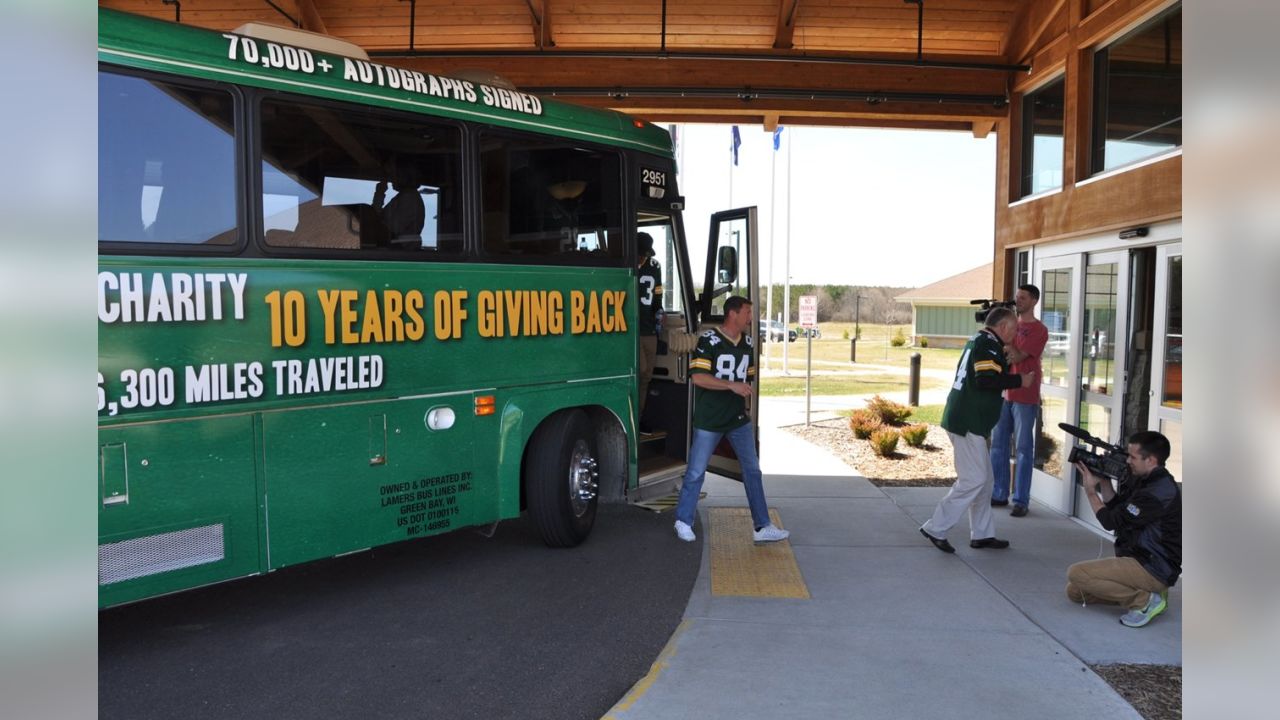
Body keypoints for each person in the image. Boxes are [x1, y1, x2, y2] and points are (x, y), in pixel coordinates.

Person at [673, 296, 789, 545]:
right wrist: (730, 386)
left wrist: (743, 397)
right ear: (733, 314)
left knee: (753, 471)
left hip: (738, 420)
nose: (751, 317)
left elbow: (747, 380)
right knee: (695, 472)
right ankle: (683, 520)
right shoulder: (709, 340)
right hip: (709, 419)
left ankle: (762, 525)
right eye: (747, 312)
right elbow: (698, 378)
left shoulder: (747, 342)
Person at [921, 307, 1035, 553]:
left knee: (985, 482)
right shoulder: (988, 345)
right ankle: (936, 527)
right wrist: (1019, 381)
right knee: (974, 479)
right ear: (1003, 327)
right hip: (967, 423)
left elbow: (984, 374)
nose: (1015, 334)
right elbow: (985, 381)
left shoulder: (982, 341)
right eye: (1014, 329)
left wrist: (1004, 360)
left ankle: (982, 535)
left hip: (969, 420)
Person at [1067, 431, 1181, 628]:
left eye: (1133, 457)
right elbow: (1119, 509)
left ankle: (1143, 600)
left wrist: (1090, 490)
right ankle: (1148, 594)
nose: (1128, 461)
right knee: (1075, 591)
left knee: (1076, 573)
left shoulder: (1158, 492)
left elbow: (1110, 522)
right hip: (1138, 559)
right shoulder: (1146, 479)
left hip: (1152, 566)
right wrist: (1104, 481)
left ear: (1151, 460)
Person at [989, 284, 1049, 517]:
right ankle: (999, 493)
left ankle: (1021, 499)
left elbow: (1016, 356)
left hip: (1025, 395)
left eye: (1023, 298)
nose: (1018, 301)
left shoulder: (1039, 330)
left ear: (1034, 301)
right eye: (1016, 297)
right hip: (1004, 393)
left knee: (1023, 448)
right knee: (998, 445)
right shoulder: (1009, 325)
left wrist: (1008, 333)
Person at [636, 232, 663, 429]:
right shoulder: (624, 264)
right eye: (640, 254)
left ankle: (639, 417)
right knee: (641, 370)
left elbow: (657, 293)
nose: (643, 258)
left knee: (647, 377)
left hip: (649, 328)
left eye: (645, 254)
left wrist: (659, 311)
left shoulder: (655, 267)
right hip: (630, 329)